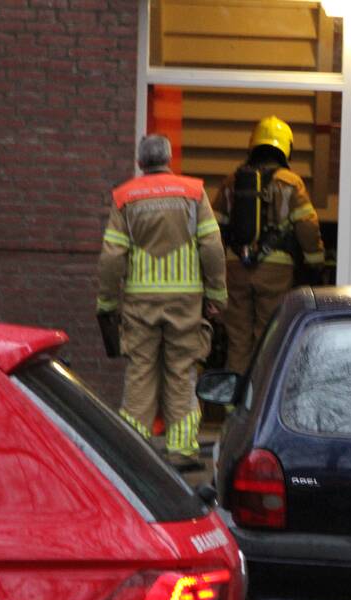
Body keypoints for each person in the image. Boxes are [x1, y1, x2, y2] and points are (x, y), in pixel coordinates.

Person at [97, 134, 227, 468]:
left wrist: (107, 302)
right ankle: (182, 450)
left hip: (140, 303)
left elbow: (112, 256)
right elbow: (212, 247)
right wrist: (216, 295)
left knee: (141, 371)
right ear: (170, 159)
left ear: (141, 162)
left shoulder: (125, 197)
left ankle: (134, 451)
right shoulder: (193, 193)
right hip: (185, 302)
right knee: (181, 371)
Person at [212, 115, 324, 374]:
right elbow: (307, 226)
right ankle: (260, 400)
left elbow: (213, 229)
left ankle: (234, 406)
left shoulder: (231, 182)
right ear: (286, 147)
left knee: (238, 339)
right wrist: (315, 264)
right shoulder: (291, 183)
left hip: (235, 269)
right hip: (276, 271)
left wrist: (216, 272)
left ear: (253, 145)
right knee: (268, 336)